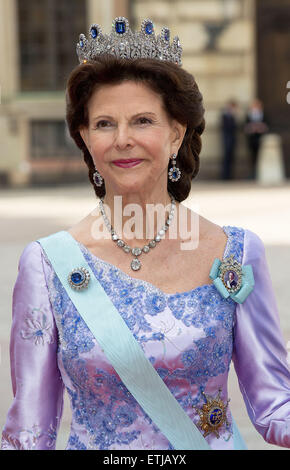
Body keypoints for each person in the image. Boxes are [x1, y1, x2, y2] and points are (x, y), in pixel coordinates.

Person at [1, 17, 290, 451]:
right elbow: (29, 431)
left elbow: (274, 406)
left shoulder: (235, 251)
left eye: (142, 121)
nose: (122, 140)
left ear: (176, 133)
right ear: (84, 137)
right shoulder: (47, 265)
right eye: (103, 124)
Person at [244, 98, 269, 179]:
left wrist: (261, 128)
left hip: (261, 140)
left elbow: (267, 126)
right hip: (251, 140)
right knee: (252, 158)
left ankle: (261, 174)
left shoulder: (264, 115)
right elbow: (245, 127)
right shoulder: (248, 115)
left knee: (261, 158)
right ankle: (253, 175)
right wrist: (252, 128)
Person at [220, 99, 238, 180]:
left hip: (232, 140)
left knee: (231, 158)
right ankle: (225, 176)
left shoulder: (233, 116)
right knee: (226, 158)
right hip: (227, 139)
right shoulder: (225, 116)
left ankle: (230, 176)